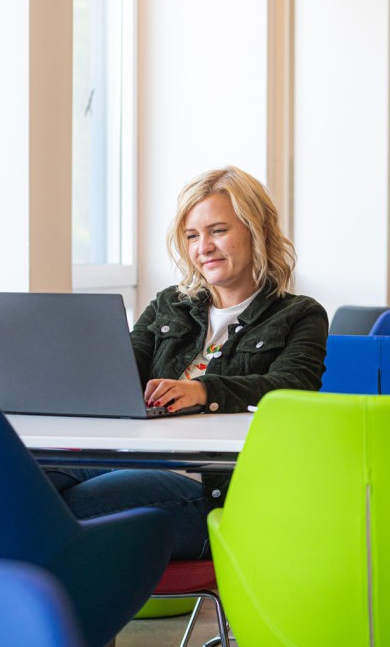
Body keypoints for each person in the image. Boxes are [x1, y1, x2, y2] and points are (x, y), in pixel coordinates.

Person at [47, 166, 329, 560]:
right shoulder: (170, 304)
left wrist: (203, 391)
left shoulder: (300, 314)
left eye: (218, 231)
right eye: (193, 236)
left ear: (257, 230)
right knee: (17, 478)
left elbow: (291, 387)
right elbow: (121, 368)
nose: (203, 247)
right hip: (130, 460)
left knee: (48, 513)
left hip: (212, 487)